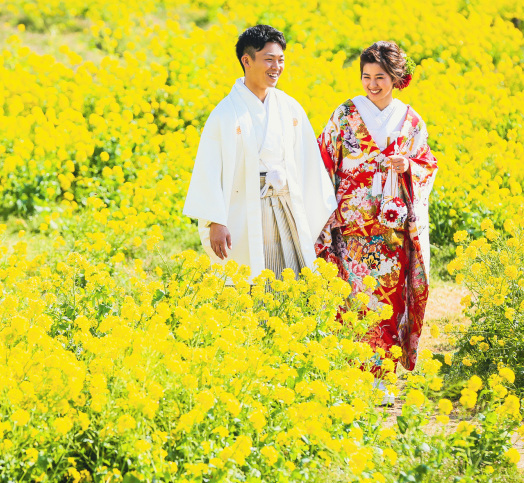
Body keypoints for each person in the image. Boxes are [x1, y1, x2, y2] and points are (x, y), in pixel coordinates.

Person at [316, 41, 438, 397]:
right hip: (351, 229)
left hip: (391, 231)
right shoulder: (345, 114)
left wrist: (409, 167)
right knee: (353, 301)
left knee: (388, 303)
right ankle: (350, 379)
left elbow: (427, 166)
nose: (372, 84)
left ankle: (381, 380)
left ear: (396, 77)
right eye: (366, 76)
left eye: (380, 77)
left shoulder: (411, 121)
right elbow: (324, 159)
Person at [183, 25, 336, 282]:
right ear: (247, 61)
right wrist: (215, 222)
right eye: (268, 60)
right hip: (243, 208)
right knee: (247, 275)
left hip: (287, 204)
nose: (276, 67)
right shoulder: (224, 113)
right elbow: (208, 170)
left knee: (292, 272)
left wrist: (318, 208)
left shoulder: (289, 107)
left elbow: (308, 161)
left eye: (281, 60)